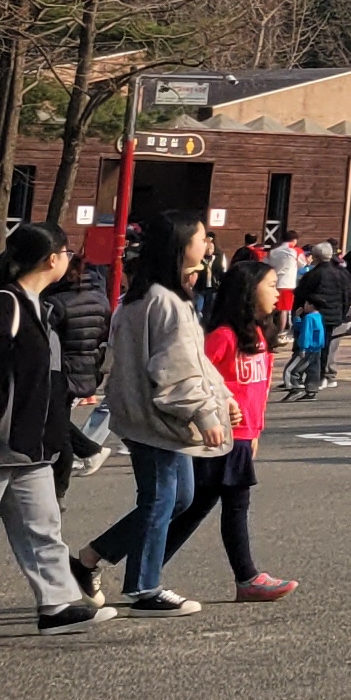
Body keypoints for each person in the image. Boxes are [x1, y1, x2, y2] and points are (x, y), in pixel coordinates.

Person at [87, 248, 295, 606]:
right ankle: (243, 577)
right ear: (248, 292)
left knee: (188, 505)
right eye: (271, 285)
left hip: (238, 435)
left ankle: (130, 565)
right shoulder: (219, 334)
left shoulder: (259, 335)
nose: (278, 293)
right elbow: (195, 376)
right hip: (214, 432)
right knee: (203, 504)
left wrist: (255, 430)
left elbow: (256, 392)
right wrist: (212, 413)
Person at [97, 210, 238, 614]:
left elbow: (194, 362)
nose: (207, 244)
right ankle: (144, 587)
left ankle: (91, 558)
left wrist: (221, 397)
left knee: (177, 498)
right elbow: (176, 368)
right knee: (162, 498)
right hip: (158, 417)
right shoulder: (166, 302)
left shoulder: (149, 297)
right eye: (201, 238)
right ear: (181, 246)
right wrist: (206, 414)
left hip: (146, 413)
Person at [3, 222, 101, 629]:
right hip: (4, 440)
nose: (68, 260)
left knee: (43, 526)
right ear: (51, 259)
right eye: (65, 252)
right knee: (40, 525)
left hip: (30, 445)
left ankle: (57, 604)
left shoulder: (40, 307)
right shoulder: (8, 303)